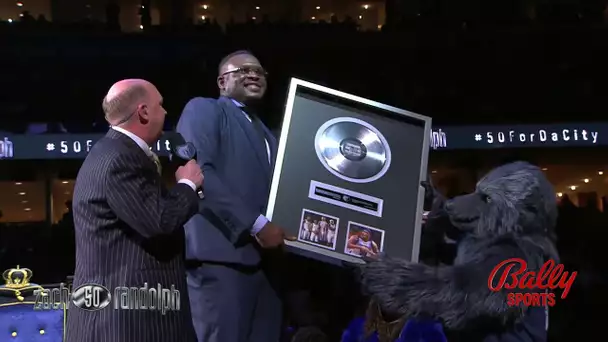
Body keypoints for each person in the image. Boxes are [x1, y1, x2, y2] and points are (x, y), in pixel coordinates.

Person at [66, 79, 203, 342]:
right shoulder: (120, 158)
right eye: (160, 105)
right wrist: (188, 183)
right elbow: (159, 221)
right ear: (143, 112)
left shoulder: (112, 151)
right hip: (126, 324)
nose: (165, 112)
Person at [177, 50, 291, 342]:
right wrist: (257, 224)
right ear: (222, 82)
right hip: (222, 259)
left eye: (259, 71)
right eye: (242, 70)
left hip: (267, 264)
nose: (253, 74)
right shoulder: (204, 109)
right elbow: (202, 172)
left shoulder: (270, 133)